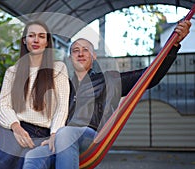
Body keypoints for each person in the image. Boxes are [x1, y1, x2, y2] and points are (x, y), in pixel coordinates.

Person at [23, 20, 191, 169]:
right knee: (33, 155)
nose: (80, 53)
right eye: (75, 50)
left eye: (85, 50)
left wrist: (173, 46)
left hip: (90, 138)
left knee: (66, 133)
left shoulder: (109, 80)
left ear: (93, 56)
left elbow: (150, 76)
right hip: (60, 137)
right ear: (70, 57)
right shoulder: (60, 84)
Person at [0, 20, 70, 169]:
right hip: (13, 129)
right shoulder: (13, 71)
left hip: (43, 133)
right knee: (4, 161)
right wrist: (16, 128)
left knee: (25, 164)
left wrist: (55, 134)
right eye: (31, 35)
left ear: (47, 41)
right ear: (25, 40)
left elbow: (62, 107)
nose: (36, 40)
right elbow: (3, 106)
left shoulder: (58, 68)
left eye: (41, 36)